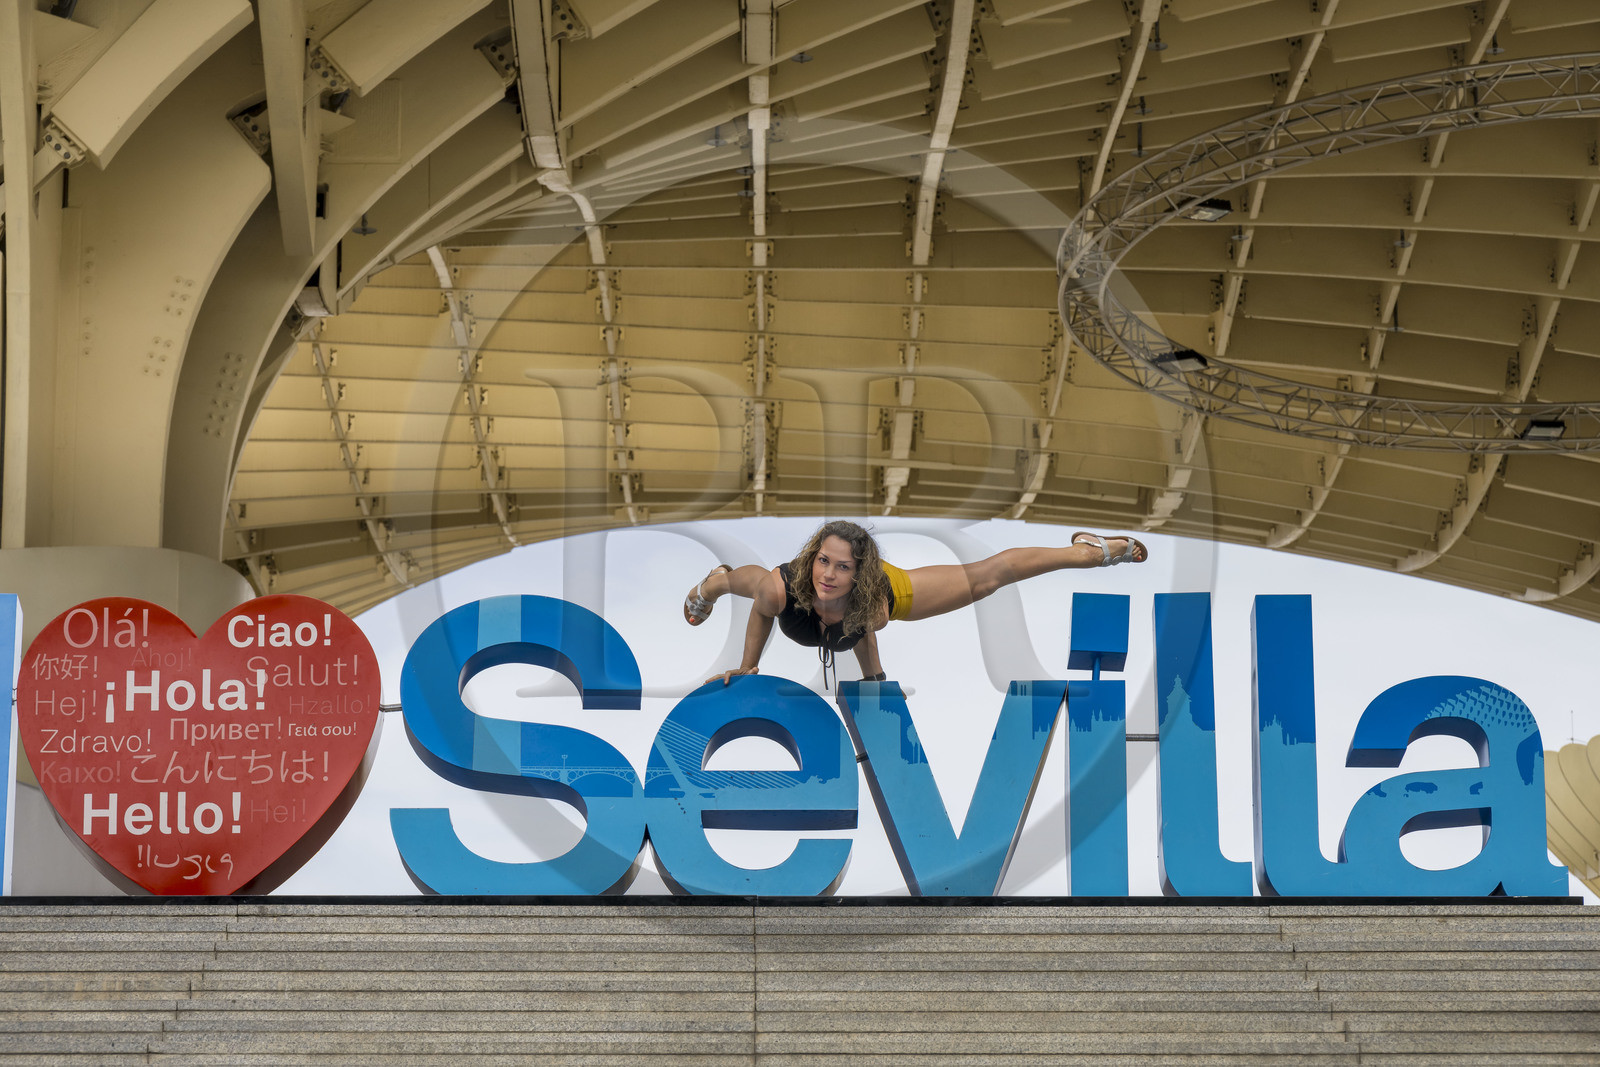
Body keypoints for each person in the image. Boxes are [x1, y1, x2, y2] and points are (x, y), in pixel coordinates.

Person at [683, 520, 1146, 687]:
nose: (827, 575)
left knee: (987, 579)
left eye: (842, 568)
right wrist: (748, 666)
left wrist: (875, 682)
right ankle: (715, 581)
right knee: (753, 584)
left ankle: (1088, 552)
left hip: (882, 593)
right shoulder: (789, 586)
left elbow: (864, 637)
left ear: (859, 575)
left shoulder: (876, 605)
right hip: (779, 591)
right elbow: (763, 613)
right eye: (824, 561)